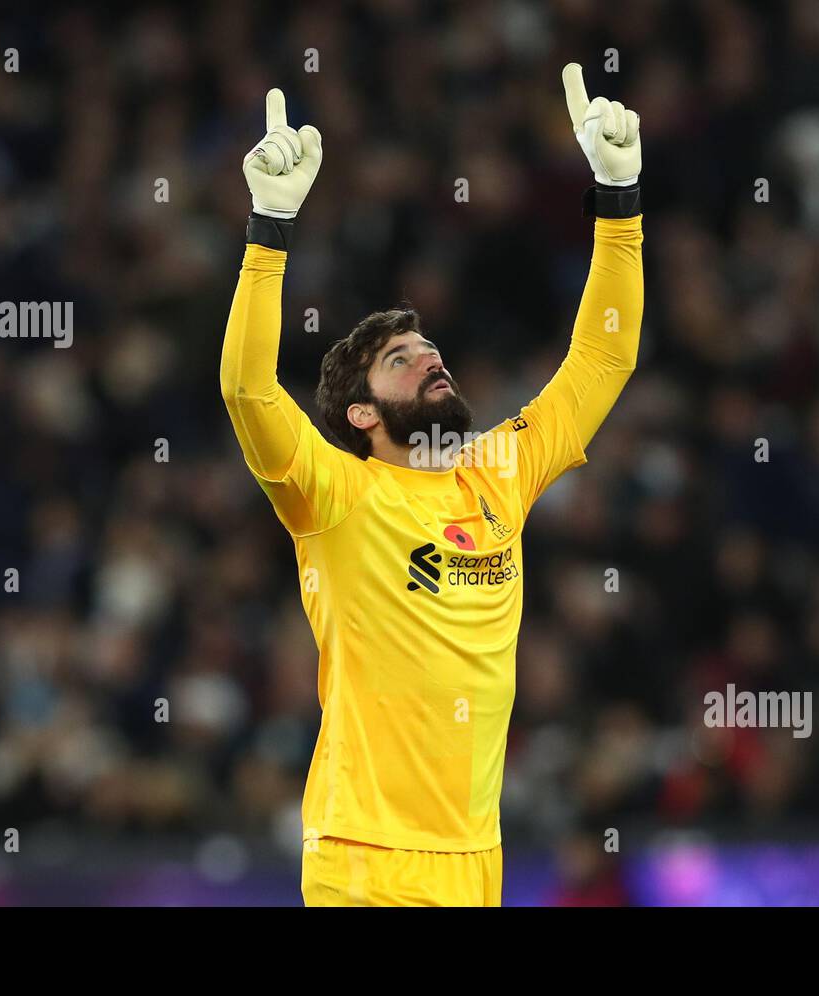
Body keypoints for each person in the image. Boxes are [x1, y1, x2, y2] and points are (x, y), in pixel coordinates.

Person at [219, 63, 643, 906]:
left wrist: (618, 198)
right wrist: (268, 232)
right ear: (364, 415)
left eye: (431, 349)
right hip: (364, 855)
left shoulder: (500, 472)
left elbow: (603, 357)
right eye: (402, 361)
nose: (432, 359)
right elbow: (247, 390)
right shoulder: (330, 494)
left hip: (475, 858)